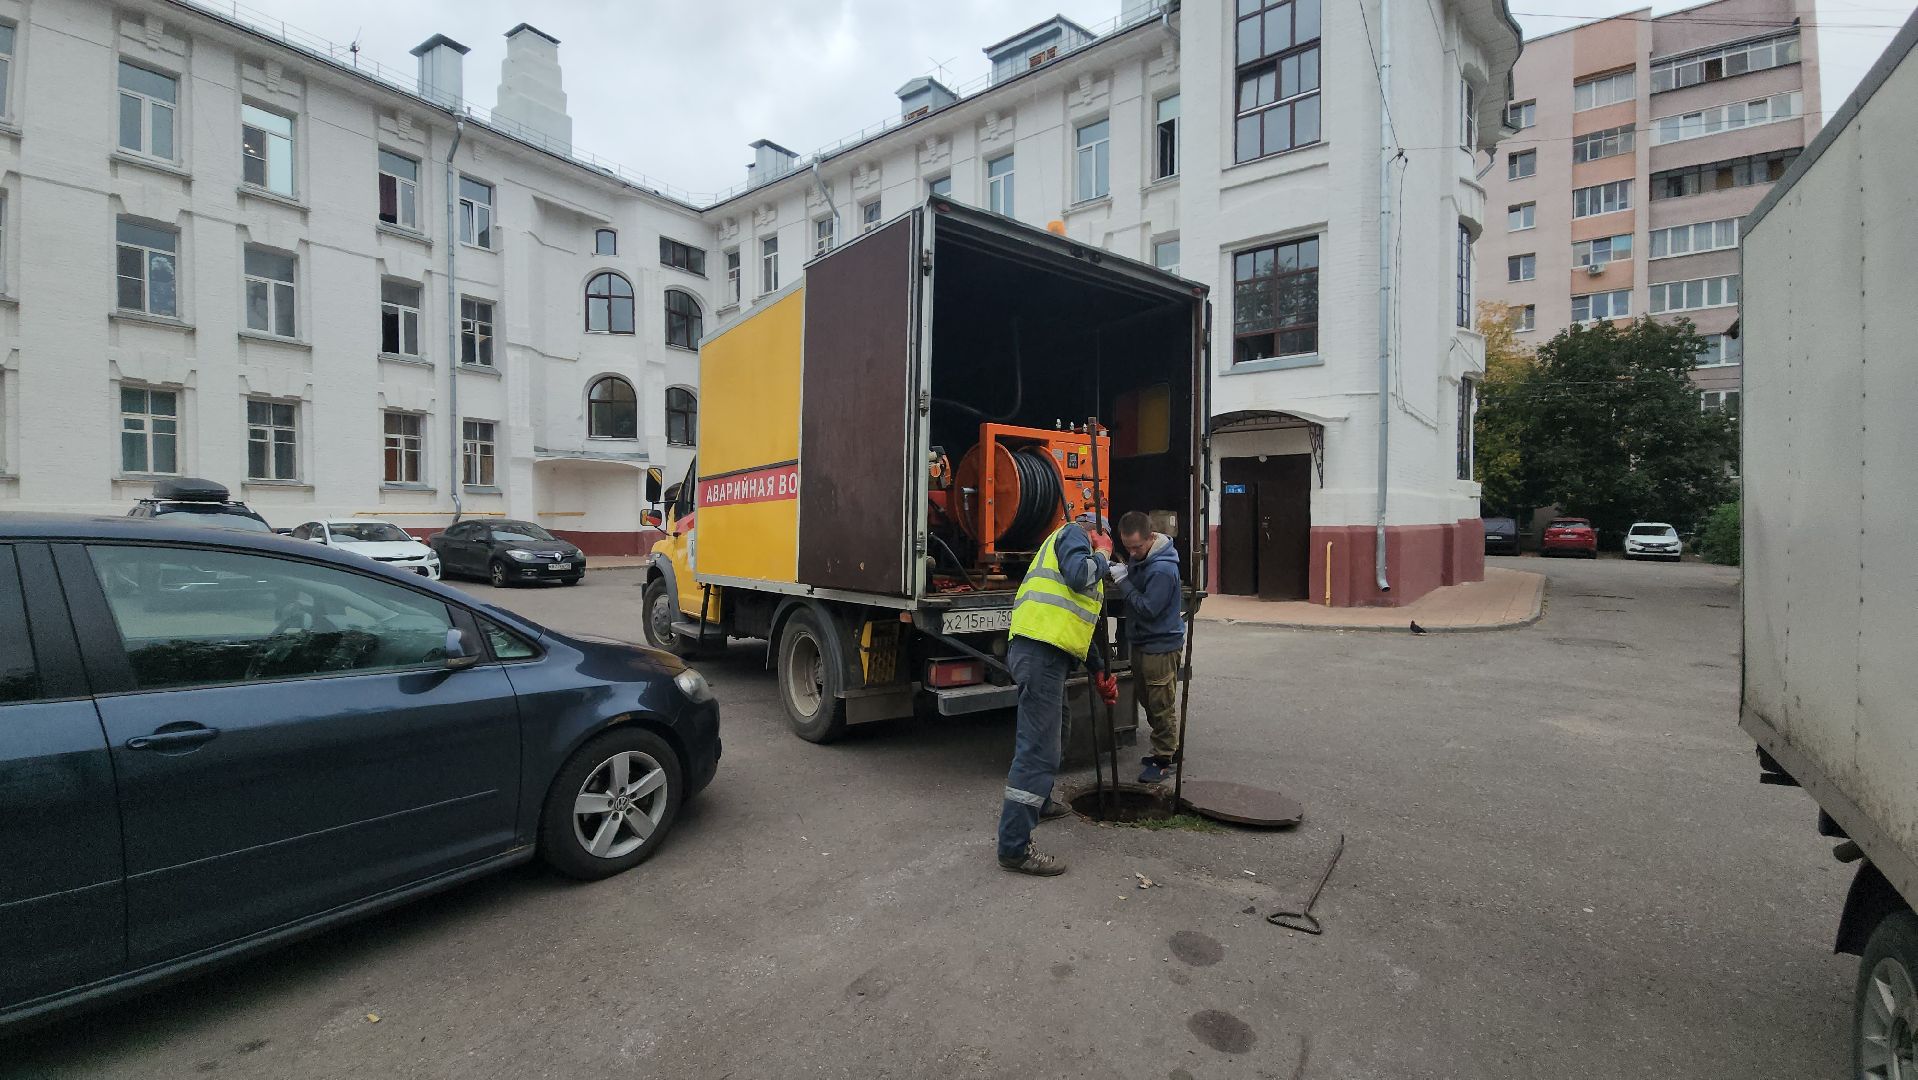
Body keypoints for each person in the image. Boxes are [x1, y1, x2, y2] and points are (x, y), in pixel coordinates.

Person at [997, 509, 1118, 877]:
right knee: (1038, 750)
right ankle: (1014, 847)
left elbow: (1081, 622)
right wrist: (1103, 554)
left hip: (1049, 655)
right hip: (1040, 654)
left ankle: (1041, 800)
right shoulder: (1073, 536)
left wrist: (1098, 669)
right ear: (1096, 531)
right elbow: (1080, 575)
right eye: (1106, 538)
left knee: (1058, 730)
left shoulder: (1079, 547)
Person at [1109, 511, 1185, 784]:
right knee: (1146, 698)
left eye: (1137, 547)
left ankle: (1165, 758)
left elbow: (1149, 608)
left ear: (1151, 537)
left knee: (1160, 702)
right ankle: (1167, 747)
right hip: (1143, 641)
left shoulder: (1163, 569)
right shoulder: (1141, 557)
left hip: (1161, 644)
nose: (1132, 552)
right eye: (1127, 547)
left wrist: (1124, 581)